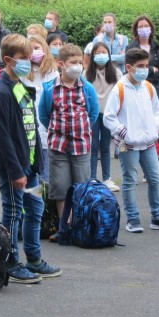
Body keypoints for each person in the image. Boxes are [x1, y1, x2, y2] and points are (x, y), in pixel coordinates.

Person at [0, 34, 62, 283]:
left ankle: (34, 258)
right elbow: (3, 137)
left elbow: (31, 128)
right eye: (23, 58)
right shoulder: (1, 93)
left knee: (35, 208)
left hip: (30, 165)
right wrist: (16, 171)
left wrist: (36, 164)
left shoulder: (21, 85)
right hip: (15, 168)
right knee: (12, 213)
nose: (29, 62)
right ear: (8, 60)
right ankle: (11, 262)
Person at [103, 47, 159, 233]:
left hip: (148, 142)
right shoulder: (119, 89)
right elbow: (109, 117)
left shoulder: (148, 87)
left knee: (155, 179)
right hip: (128, 144)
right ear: (129, 67)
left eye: (146, 65)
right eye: (140, 66)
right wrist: (124, 133)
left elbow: (157, 111)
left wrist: (156, 128)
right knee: (130, 181)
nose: (145, 69)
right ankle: (133, 219)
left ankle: (158, 217)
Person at [38, 44, 99, 224]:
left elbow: (93, 113)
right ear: (61, 64)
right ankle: (65, 225)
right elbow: (44, 115)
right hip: (58, 145)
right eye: (73, 62)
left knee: (82, 188)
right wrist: (58, 130)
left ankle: (80, 225)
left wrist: (81, 129)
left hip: (81, 145)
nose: (77, 66)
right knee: (60, 188)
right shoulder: (50, 89)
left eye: (80, 62)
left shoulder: (87, 88)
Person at [19, 34, 59, 181]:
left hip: (47, 129)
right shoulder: (23, 74)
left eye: (36, 48)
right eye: (30, 50)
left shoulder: (53, 73)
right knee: (30, 174)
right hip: (28, 128)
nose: (34, 52)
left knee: (47, 174)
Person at [84, 42, 120, 191]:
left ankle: (106, 179)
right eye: (97, 53)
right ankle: (92, 178)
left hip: (108, 115)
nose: (100, 55)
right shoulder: (86, 73)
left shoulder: (116, 73)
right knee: (93, 147)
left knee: (105, 147)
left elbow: (119, 93)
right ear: (92, 55)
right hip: (93, 114)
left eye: (103, 52)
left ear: (109, 54)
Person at [126, 16, 159, 90]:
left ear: (150, 29)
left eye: (146, 26)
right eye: (140, 27)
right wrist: (152, 70)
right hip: (136, 87)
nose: (143, 29)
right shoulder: (130, 48)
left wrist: (144, 75)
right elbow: (130, 70)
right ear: (136, 30)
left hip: (155, 87)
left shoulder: (157, 48)